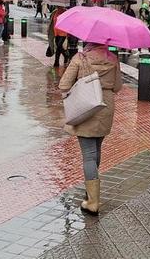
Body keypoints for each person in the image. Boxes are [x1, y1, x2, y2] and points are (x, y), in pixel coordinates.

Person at [58, 41, 123, 215]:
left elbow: (64, 85)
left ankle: (93, 201)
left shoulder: (80, 58)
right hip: (105, 106)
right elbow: (117, 87)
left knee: (88, 155)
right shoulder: (113, 59)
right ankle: (91, 191)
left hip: (85, 106)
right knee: (96, 150)